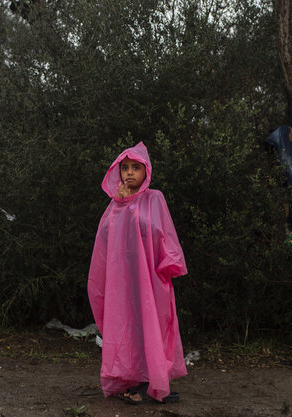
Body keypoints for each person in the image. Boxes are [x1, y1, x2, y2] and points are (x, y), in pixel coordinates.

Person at [87, 142, 187, 405]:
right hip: (123, 283)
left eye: (136, 167)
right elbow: (105, 244)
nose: (130, 173)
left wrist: (170, 262)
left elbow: (165, 232)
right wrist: (121, 204)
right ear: (117, 172)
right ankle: (132, 383)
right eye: (125, 168)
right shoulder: (114, 206)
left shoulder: (155, 198)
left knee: (153, 327)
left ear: (146, 170)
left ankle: (152, 383)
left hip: (152, 278)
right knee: (126, 328)